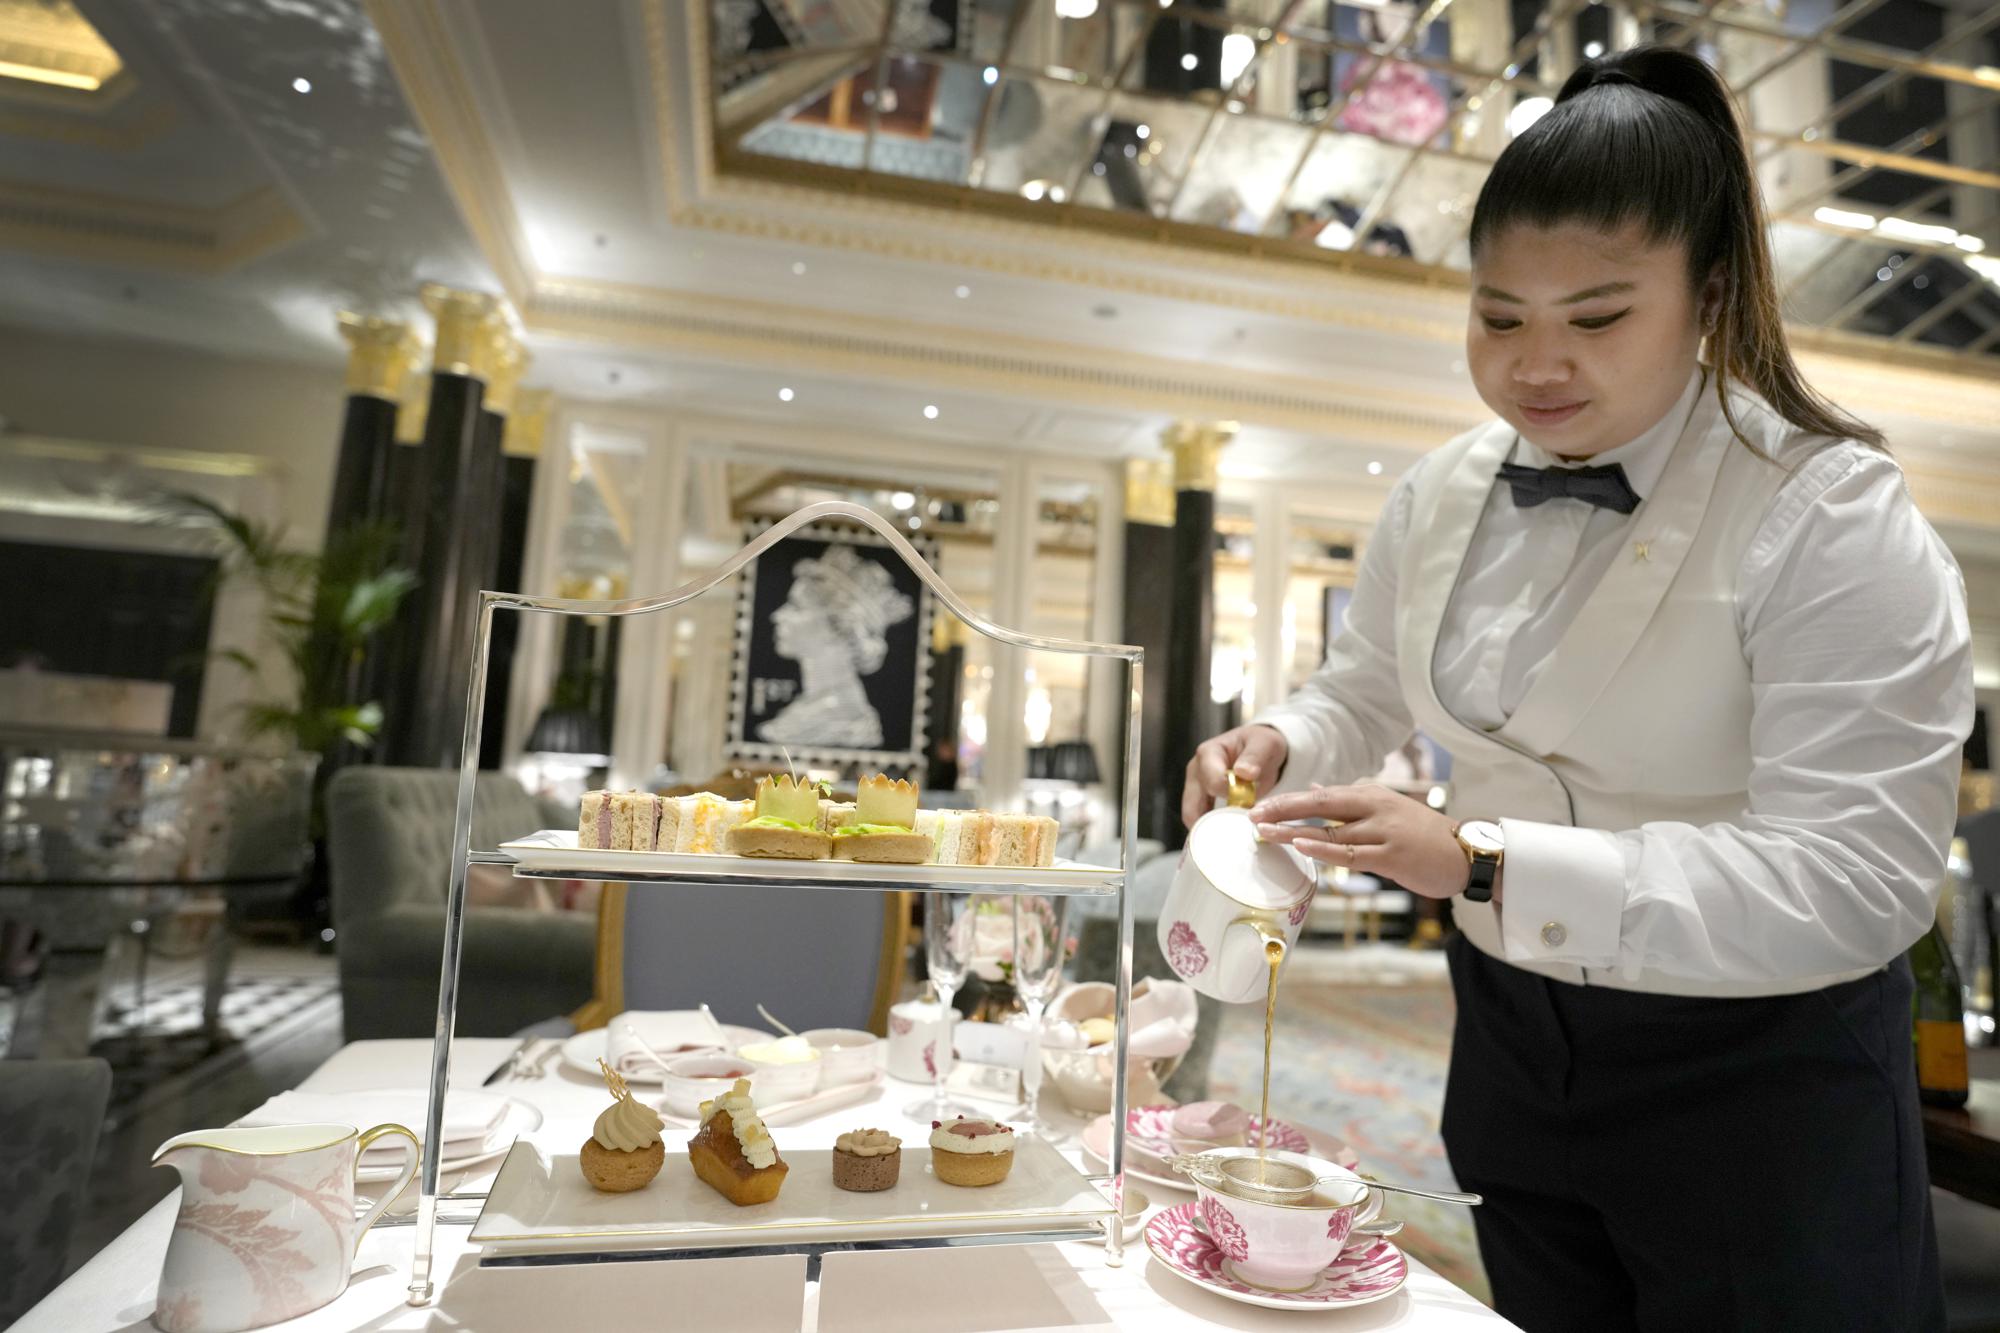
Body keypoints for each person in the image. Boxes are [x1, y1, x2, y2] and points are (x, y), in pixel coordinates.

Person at [1182, 46, 1972, 1333]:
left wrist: (1485, 862)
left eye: (1596, 318)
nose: (1534, 365)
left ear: (1708, 293)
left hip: (1758, 1077)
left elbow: (1855, 879)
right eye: (1497, 318)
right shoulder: (1438, 491)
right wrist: (1285, 734)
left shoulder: (1827, 514)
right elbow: (1365, 682)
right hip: (1505, 1040)